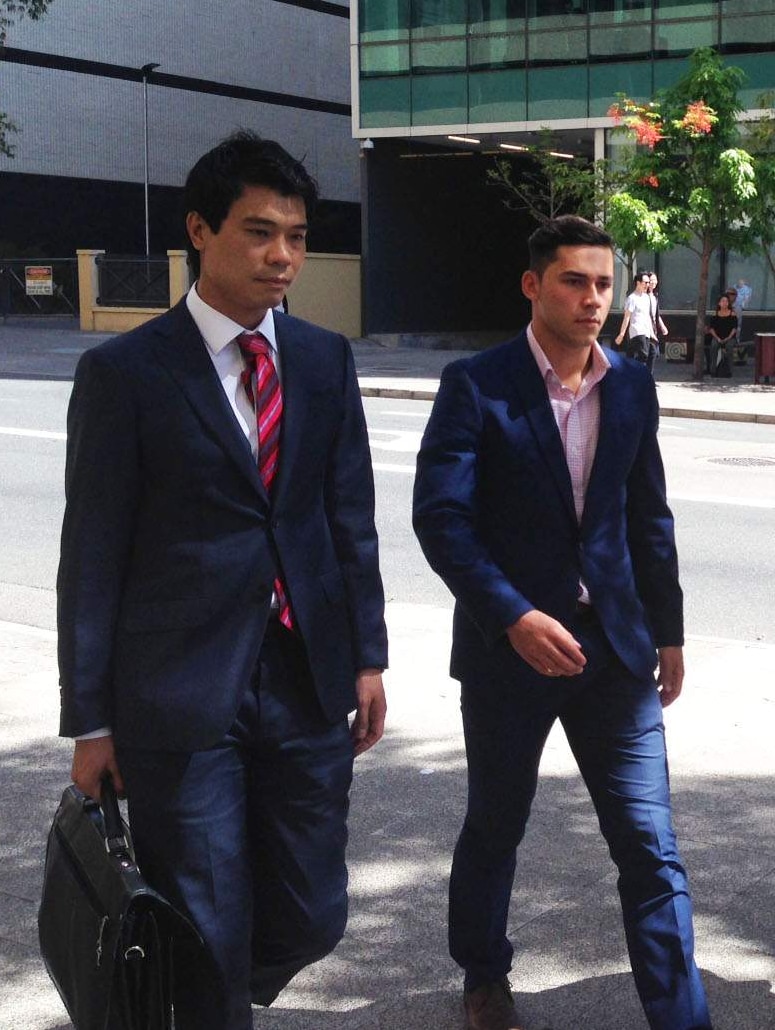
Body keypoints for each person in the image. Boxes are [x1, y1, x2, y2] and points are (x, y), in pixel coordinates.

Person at [57, 131, 388, 1030]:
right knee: (205, 926)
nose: (282, 255)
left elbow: (345, 521)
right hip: (177, 694)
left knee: (313, 912)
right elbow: (90, 556)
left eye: (294, 235)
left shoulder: (323, 361)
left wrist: (367, 657)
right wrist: (90, 722)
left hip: (303, 677)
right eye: (257, 232)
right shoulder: (125, 373)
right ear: (199, 231)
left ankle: (220, 982)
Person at [413, 216, 711, 1030]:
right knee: (495, 825)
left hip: (614, 650)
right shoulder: (476, 383)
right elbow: (441, 521)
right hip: (510, 654)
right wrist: (511, 616)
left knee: (650, 846)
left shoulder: (630, 385)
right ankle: (483, 973)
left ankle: (680, 1017)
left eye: (603, 284)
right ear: (533, 285)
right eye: (574, 281)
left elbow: (646, 515)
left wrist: (669, 629)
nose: (591, 299)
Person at [614, 270, 658, 373]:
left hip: (646, 331)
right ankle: (632, 369)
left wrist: (652, 333)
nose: (648, 285)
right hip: (636, 331)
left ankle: (635, 372)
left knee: (650, 353)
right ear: (638, 283)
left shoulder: (646, 298)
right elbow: (627, 317)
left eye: (648, 282)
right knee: (644, 354)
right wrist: (621, 333)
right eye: (645, 282)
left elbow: (648, 317)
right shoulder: (632, 298)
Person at [705, 293, 737, 377]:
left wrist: (728, 338)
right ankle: (713, 370)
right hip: (718, 337)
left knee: (729, 348)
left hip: (730, 337)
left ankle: (730, 371)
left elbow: (734, 328)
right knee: (714, 346)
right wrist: (717, 338)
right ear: (719, 303)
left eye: (726, 301)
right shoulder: (715, 315)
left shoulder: (732, 314)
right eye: (723, 301)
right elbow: (712, 329)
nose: (725, 303)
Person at [647, 270, 669, 349]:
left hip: (654, 327)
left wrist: (662, 326)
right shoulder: (643, 297)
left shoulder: (655, 296)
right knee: (651, 351)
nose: (653, 282)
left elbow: (657, 314)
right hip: (645, 329)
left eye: (655, 280)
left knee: (654, 352)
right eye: (651, 280)